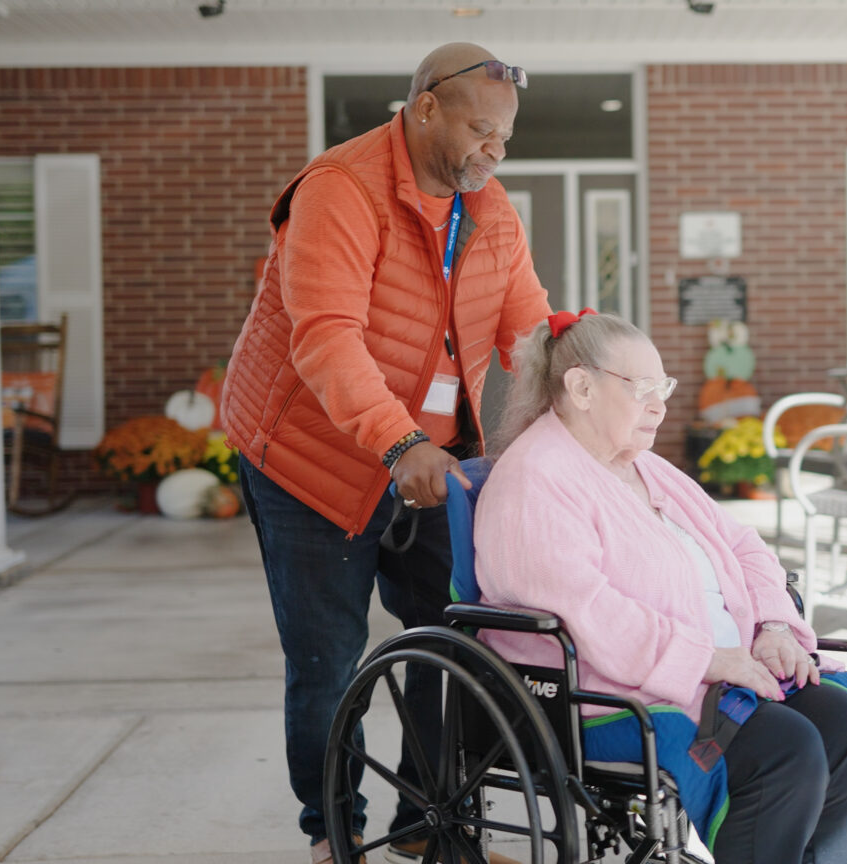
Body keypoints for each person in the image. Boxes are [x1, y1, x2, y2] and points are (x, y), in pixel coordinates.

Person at [220, 42, 550, 864]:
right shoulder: (341, 189)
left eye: (505, 138)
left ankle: (430, 825)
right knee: (328, 659)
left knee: (456, 638)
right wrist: (399, 440)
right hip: (310, 458)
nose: (494, 151)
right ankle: (335, 831)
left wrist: (594, 401)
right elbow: (326, 339)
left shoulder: (490, 209)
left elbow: (532, 333)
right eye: (482, 131)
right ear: (425, 107)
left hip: (433, 459)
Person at [474, 311, 847, 863]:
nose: (659, 405)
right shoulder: (536, 478)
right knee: (786, 751)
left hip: (721, 670)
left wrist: (774, 626)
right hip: (609, 695)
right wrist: (709, 659)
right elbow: (585, 610)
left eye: (662, 387)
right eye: (641, 388)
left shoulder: (645, 467)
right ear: (581, 388)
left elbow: (745, 546)